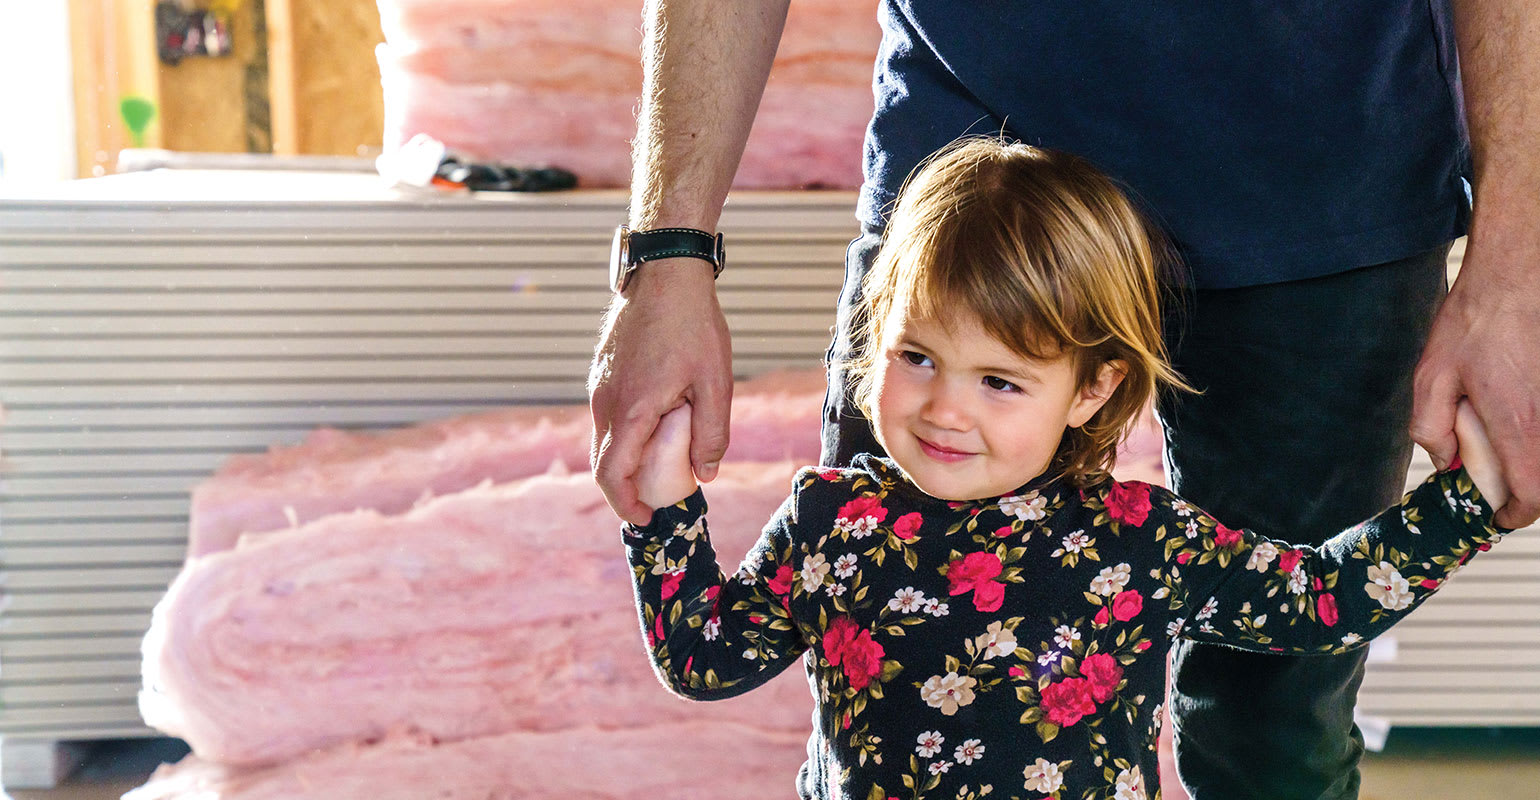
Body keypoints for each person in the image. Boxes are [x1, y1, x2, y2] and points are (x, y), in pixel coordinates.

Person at [587, 3, 1539, 797]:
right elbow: (706, 656)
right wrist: (663, 511)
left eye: (999, 381)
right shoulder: (830, 523)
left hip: (1323, 170)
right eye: (914, 358)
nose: (945, 412)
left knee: (1275, 737)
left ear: (1095, 390)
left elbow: (1314, 605)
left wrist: (1467, 501)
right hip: (960, 126)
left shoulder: (1139, 542)